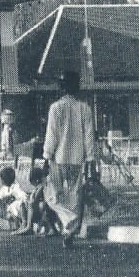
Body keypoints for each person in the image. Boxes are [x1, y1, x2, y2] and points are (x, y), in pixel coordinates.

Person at [43, 69, 96, 247]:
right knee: (74, 196)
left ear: (62, 88)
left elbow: (52, 135)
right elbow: (89, 137)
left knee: (52, 195)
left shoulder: (56, 108)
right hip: (77, 159)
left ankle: (68, 223)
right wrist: (90, 159)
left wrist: (46, 157)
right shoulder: (85, 108)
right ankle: (70, 228)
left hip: (58, 158)